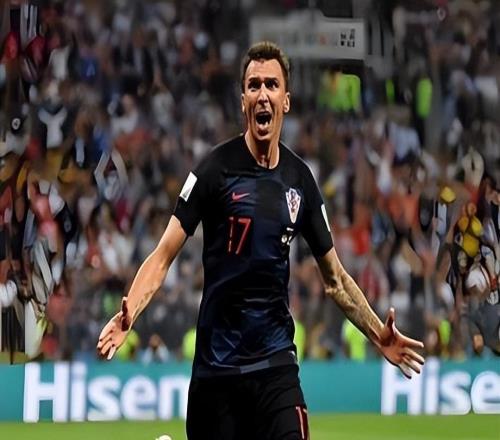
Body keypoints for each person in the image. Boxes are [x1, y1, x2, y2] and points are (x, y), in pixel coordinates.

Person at [97, 41, 425, 440]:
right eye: (254, 85)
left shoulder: (300, 181)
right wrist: (130, 311)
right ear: (243, 101)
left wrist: (378, 334)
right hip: (216, 373)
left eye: (272, 85)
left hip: (275, 367)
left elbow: (335, 280)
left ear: (286, 101)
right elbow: (163, 255)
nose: (263, 94)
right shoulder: (213, 170)